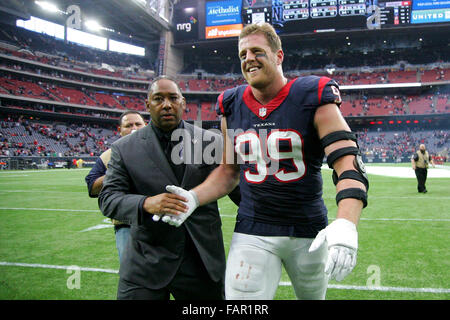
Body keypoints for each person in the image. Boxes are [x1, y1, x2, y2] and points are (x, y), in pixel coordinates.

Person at [161, 23, 369, 300]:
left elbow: (348, 164)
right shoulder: (231, 103)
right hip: (253, 229)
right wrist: (194, 198)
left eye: (257, 51)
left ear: (278, 56)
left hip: (308, 230)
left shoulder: (311, 94)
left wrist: (346, 222)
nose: (249, 58)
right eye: (243, 53)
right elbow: (228, 170)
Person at [98, 76, 227, 300]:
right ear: (147, 105)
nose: (166, 104)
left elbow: (240, 192)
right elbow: (108, 199)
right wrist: (146, 203)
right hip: (146, 261)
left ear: (183, 103)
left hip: (201, 260)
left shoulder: (211, 141)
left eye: (173, 98)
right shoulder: (124, 148)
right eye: (158, 98)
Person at [85, 110, 146, 263]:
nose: (134, 128)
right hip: (125, 225)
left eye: (138, 124)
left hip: (158, 224)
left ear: (146, 126)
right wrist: (117, 172)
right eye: (128, 125)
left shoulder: (160, 150)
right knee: (131, 275)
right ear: (119, 130)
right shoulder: (108, 155)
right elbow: (92, 186)